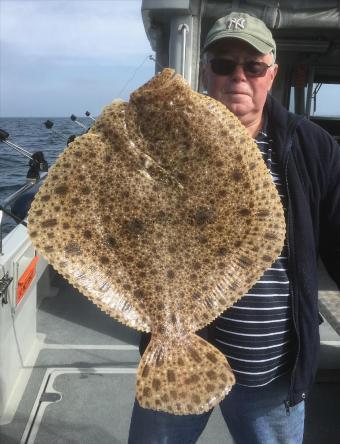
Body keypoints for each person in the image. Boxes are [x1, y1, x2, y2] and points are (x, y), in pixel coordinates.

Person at [128, 11, 340, 444]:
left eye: (253, 66)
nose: (238, 76)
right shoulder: (161, 143)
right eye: (223, 64)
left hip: (273, 368)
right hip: (178, 356)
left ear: (272, 73)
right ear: (205, 72)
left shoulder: (311, 146)